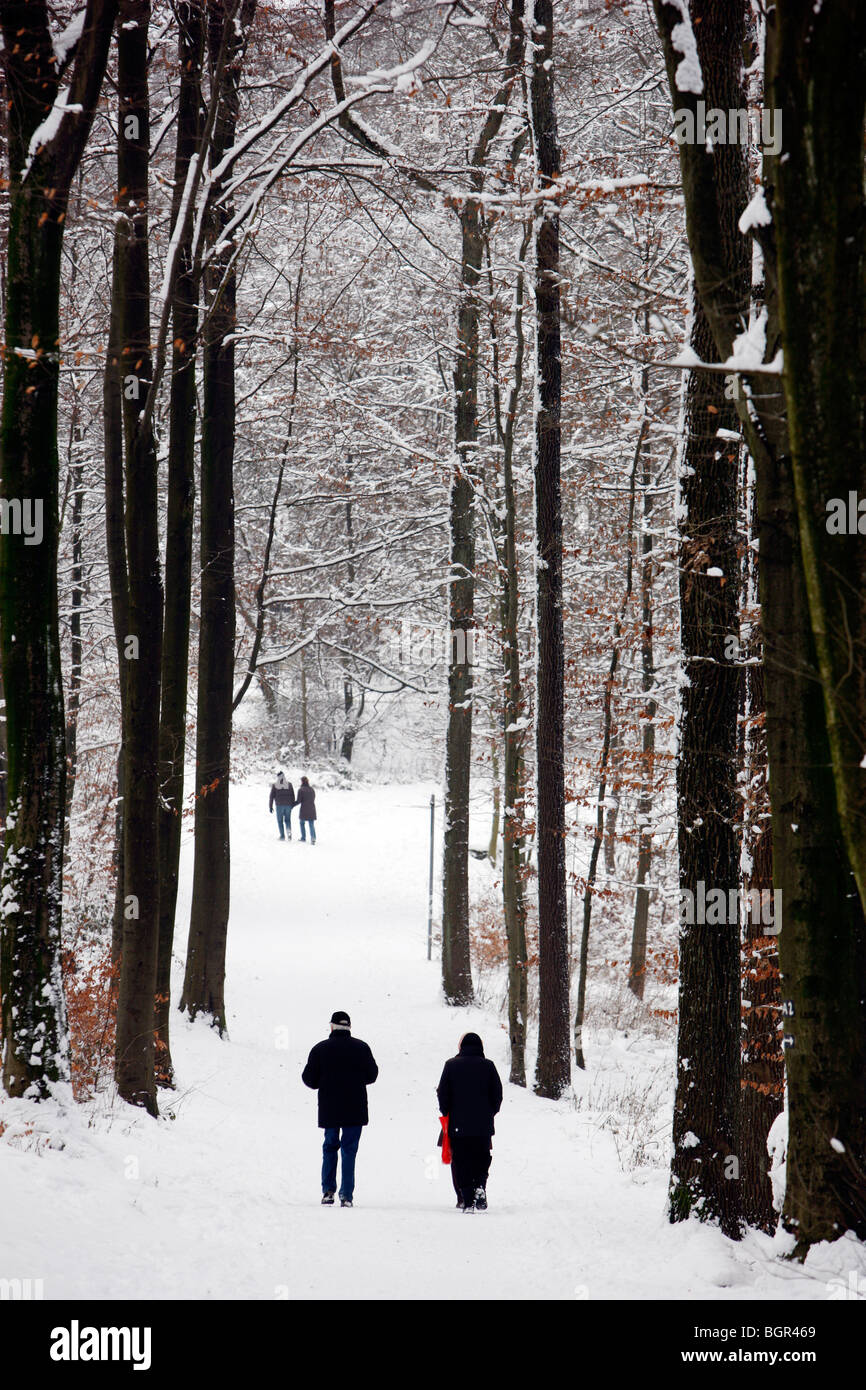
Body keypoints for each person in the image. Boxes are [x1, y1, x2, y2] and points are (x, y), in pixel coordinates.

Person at [302, 1011, 378, 1207]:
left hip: (330, 1107)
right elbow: (372, 1075)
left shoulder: (320, 1049)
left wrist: (325, 1081)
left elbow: (308, 1079)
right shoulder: (362, 1048)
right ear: (350, 1027)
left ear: (331, 1027)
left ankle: (328, 1191)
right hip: (355, 1107)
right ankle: (347, 1195)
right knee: (349, 1150)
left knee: (330, 1147)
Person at [436, 1032, 503, 1212]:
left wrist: (447, 1112)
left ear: (461, 1047)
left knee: (461, 1160)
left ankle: (467, 1199)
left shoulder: (451, 1065)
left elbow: (443, 1093)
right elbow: (497, 1094)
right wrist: (490, 1113)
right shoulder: (489, 1066)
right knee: (482, 1157)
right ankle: (480, 1185)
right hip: (483, 1124)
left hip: (458, 1124)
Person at [269, 770, 296, 840]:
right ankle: (289, 831)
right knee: (287, 820)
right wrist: (292, 804)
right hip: (288, 805)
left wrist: (270, 806)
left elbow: (271, 796)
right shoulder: (289, 784)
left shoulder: (275, 785)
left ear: (278, 777)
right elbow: (293, 795)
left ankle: (282, 836)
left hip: (279, 805)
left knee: (280, 821)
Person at [296, 774, 316, 844]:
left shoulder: (301, 790)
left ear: (302, 782)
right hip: (312, 809)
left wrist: (292, 805)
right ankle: (313, 838)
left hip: (304, 809)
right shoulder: (312, 789)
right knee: (311, 824)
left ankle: (303, 837)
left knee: (302, 823)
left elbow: (298, 801)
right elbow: (313, 798)